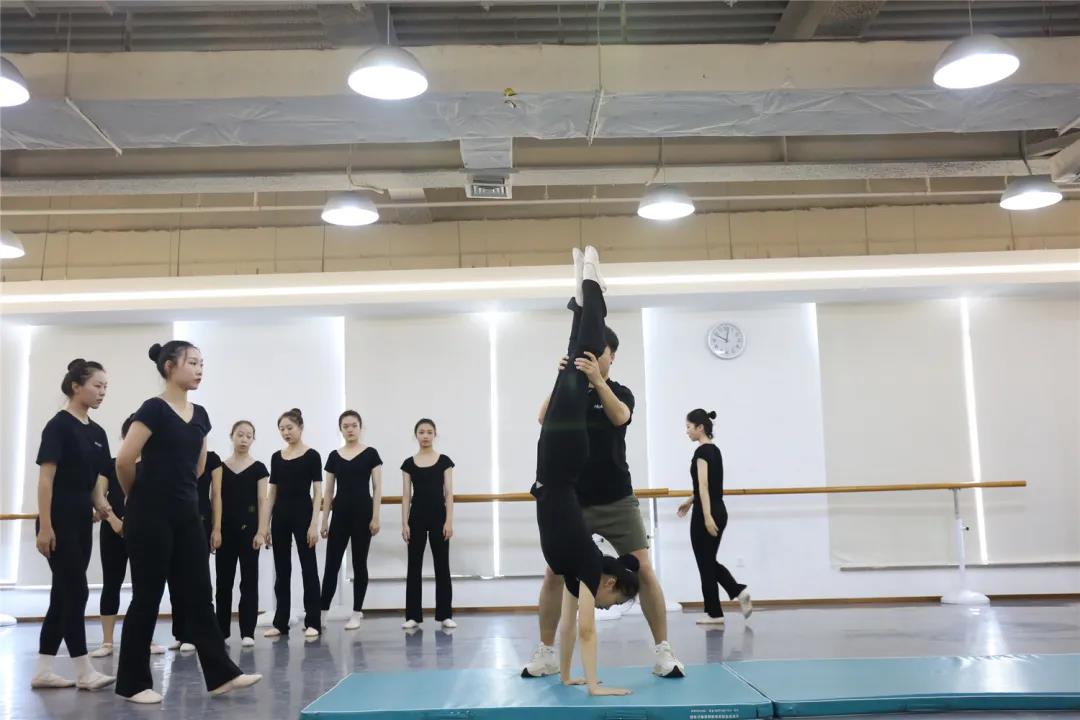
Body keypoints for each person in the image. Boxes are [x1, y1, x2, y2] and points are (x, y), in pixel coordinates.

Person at [523, 247, 685, 680]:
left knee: (643, 568)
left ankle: (664, 650)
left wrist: (597, 380)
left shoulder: (620, 390)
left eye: (604, 355)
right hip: (572, 499)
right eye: (595, 354)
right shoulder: (574, 387)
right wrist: (563, 378)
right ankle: (545, 651)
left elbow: (620, 417)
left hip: (615, 497)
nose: (598, 358)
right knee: (554, 573)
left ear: (611, 356)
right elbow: (543, 418)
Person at [115, 341, 260, 703]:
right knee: (147, 597)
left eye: (201, 363)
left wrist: (182, 494)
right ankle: (132, 684)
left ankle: (221, 675)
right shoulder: (153, 409)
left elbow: (199, 465)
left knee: (199, 594)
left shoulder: (200, 414)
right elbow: (125, 460)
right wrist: (137, 498)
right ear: (169, 366)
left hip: (187, 514)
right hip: (149, 516)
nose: (199, 369)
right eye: (192, 362)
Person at [531, 246, 642, 696]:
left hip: (554, 462)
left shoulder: (580, 571)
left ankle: (584, 292)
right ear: (610, 583)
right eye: (612, 601)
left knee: (576, 358)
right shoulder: (588, 568)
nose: (605, 607)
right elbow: (586, 630)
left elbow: (569, 627)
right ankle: (590, 285)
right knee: (583, 356)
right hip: (562, 460)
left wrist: (568, 677)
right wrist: (595, 685)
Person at [30, 359, 116, 691]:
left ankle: (43, 670)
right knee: (76, 592)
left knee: (62, 595)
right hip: (58, 521)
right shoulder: (59, 426)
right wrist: (45, 526)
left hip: (81, 522)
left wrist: (100, 503)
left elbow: (95, 481)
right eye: (97, 385)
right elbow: (46, 480)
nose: (102, 392)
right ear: (76, 386)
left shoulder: (97, 432)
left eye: (106, 387)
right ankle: (83, 671)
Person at [89, 415, 165, 658]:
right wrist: (113, 520)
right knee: (111, 583)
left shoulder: (154, 466)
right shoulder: (111, 464)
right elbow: (99, 495)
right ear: (125, 436)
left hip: (144, 531)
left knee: (144, 587)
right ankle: (107, 641)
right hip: (113, 531)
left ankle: (146, 638)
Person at [677, 409, 752, 625]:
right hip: (719, 510)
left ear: (700, 427)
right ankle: (727, 600)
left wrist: (707, 516)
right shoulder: (715, 451)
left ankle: (717, 610)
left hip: (707, 513)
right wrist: (689, 501)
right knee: (708, 562)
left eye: (689, 427)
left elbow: (703, 485)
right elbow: (709, 486)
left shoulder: (701, 452)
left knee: (705, 564)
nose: (687, 431)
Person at [319, 410, 383, 631]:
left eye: (354, 425)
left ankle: (356, 612)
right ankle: (322, 613)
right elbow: (328, 491)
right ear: (341, 429)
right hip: (340, 515)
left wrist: (376, 516)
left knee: (359, 563)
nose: (350, 429)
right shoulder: (334, 456)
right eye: (345, 426)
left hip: (363, 514)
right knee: (332, 564)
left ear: (360, 427)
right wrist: (324, 520)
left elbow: (377, 487)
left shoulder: (371, 454)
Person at [262, 408, 322, 638]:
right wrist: (265, 525)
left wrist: (314, 523)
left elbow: (318, 492)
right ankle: (280, 623)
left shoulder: (312, 455)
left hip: (303, 516)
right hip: (280, 517)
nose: (286, 432)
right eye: (282, 429)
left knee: (309, 568)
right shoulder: (276, 457)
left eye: (289, 428)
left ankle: (313, 621)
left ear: (300, 427)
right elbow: (272, 494)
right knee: (282, 570)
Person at [216, 420, 269, 646]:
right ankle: (221, 632)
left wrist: (262, 531)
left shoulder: (259, 468)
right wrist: (215, 530)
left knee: (249, 582)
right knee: (223, 583)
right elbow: (215, 499)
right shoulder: (220, 467)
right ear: (232, 436)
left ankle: (248, 632)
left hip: (250, 533)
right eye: (240, 434)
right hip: (225, 532)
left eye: (248, 435)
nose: (244, 439)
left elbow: (263, 500)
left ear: (253, 439)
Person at [400, 419, 455, 629]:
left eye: (429, 432)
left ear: (434, 435)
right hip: (416, 518)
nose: (425, 435)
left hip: (439, 517)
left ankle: (445, 614)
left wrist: (449, 521)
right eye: (421, 432)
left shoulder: (444, 461)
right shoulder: (408, 463)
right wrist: (404, 523)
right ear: (416, 435)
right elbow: (406, 496)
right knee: (414, 566)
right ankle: (412, 616)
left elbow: (449, 493)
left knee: (442, 565)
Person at [168, 448, 222, 651]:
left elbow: (216, 495)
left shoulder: (212, 459)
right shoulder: (174, 454)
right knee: (174, 578)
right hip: (173, 519)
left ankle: (195, 633)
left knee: (196, 578)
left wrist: (216, 528)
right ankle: (180, 632)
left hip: (200, 519)